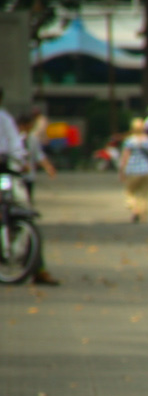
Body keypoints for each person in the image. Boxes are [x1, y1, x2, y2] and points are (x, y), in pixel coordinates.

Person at [17, 110, 59, 284]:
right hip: (11, 178)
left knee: (27, 220)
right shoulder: (11, 137)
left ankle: (37, 269)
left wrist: (48, 167)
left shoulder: (31, 139)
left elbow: (39, 155)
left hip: (25, 181)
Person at [119, 117, 148, 222]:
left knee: (129, 192)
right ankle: (143, 216)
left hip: (133, 170)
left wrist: (122, 171)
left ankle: (135, 210)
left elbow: (125, 157)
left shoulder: (129, 141)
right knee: (144, 194)